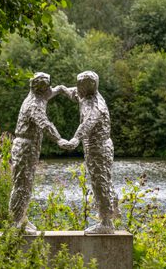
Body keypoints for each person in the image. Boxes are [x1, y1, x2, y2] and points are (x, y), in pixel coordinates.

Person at [58, 71, 119, 234]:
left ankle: (107, 223)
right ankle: (109, 214)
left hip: (99, 148)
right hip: (92, 148)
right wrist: (60, 89)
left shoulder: (96, 105)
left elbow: (87, 124)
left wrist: (75, 140)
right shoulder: (84, 95)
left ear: (90, 87)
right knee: (99, 181)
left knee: (101, 183)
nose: (78, 89)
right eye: (78, 85)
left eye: (81, 86)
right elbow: (73, 93)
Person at [8, 72, 67, 234]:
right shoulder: (33, 104)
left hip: (30, 146)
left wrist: (62, 89)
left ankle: (21, 218)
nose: (49, 89)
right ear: (40, 88)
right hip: (25, 147)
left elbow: (51, 93)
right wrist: (59, 139)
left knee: (27, 183)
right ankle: (15, 222)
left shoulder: (38, 96)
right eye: (47, 86)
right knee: (22, 185)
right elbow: (45, 124)